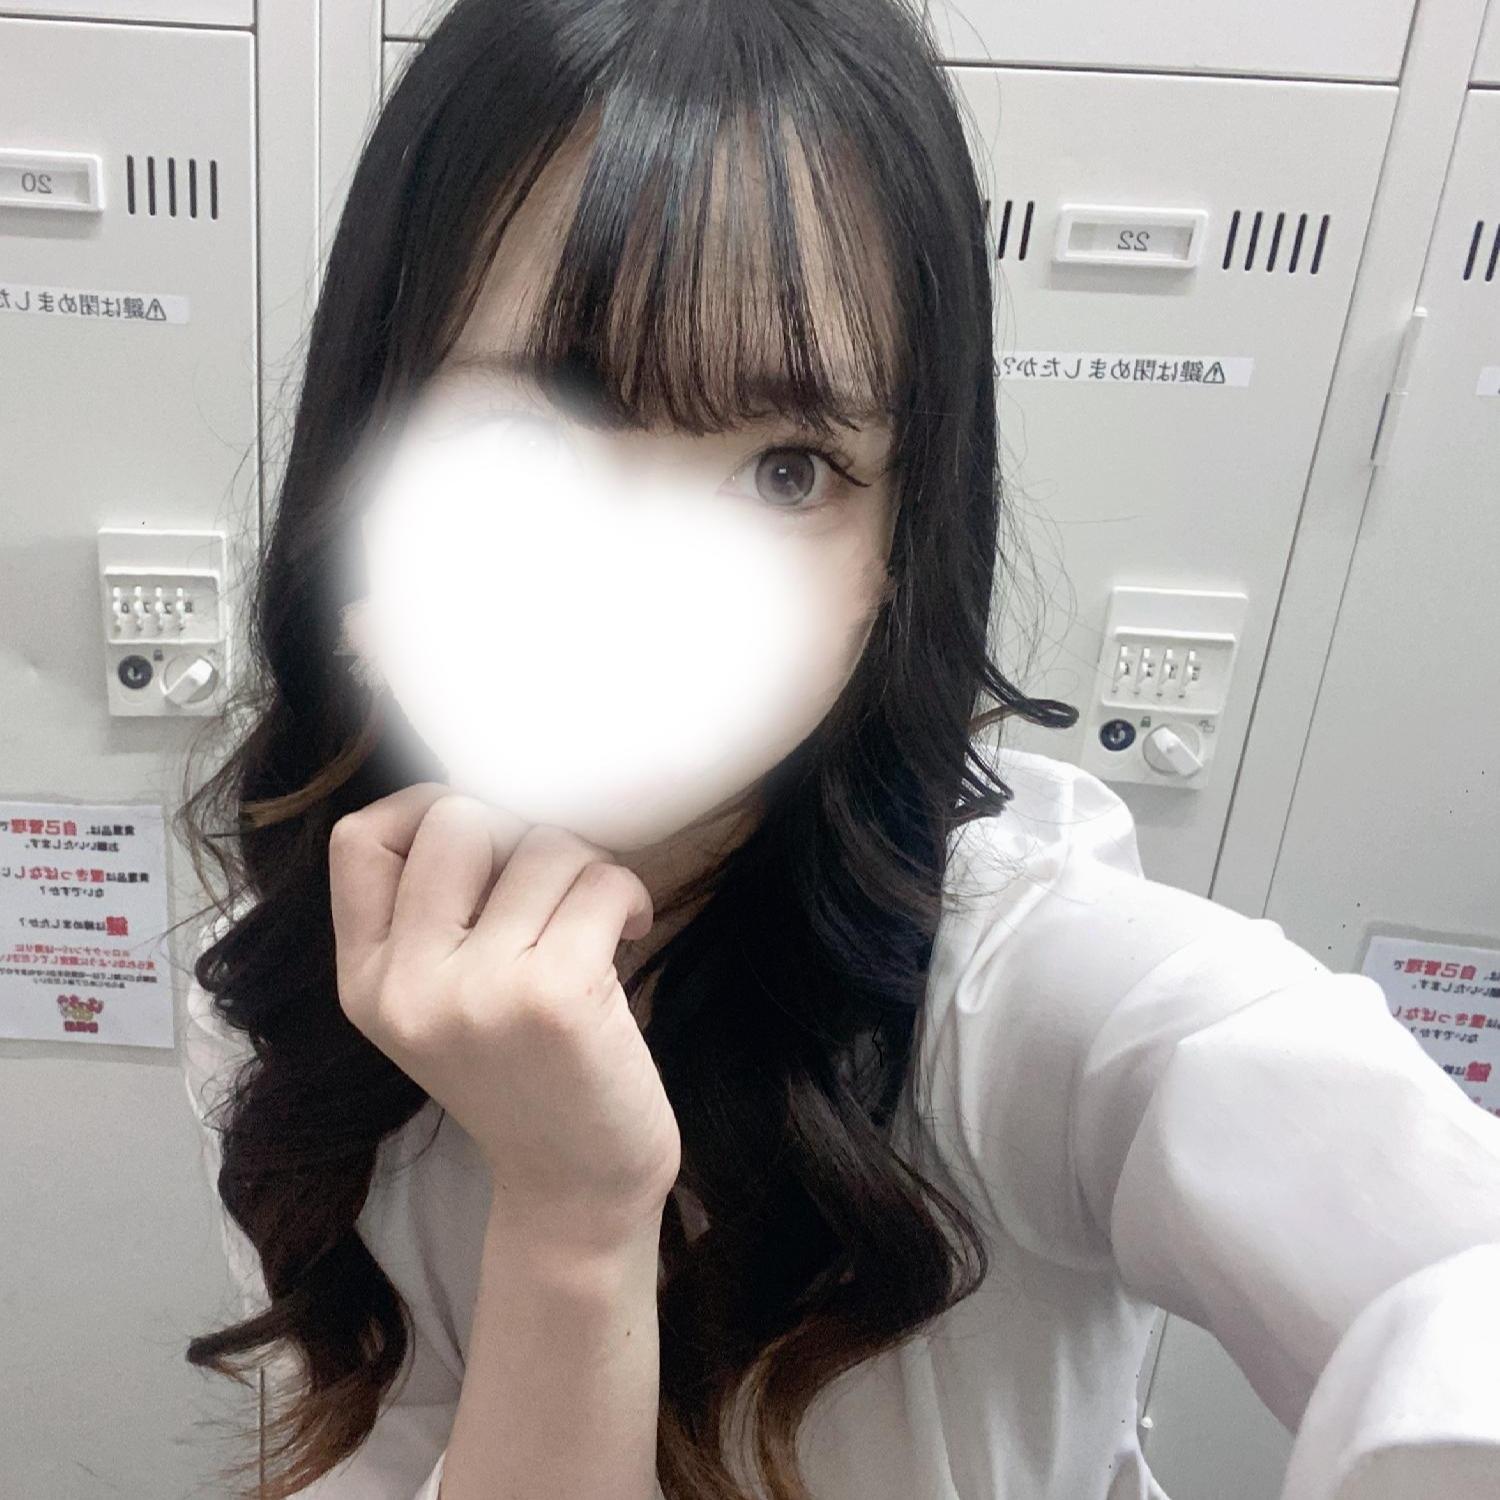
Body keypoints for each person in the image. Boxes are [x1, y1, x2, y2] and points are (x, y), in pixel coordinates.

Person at [175, 1, 1500, 1497]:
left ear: (893, 557)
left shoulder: (1018, 985)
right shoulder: (293, 981)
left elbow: (1446, 1267)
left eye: (787, 471)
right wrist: (571, 1215)